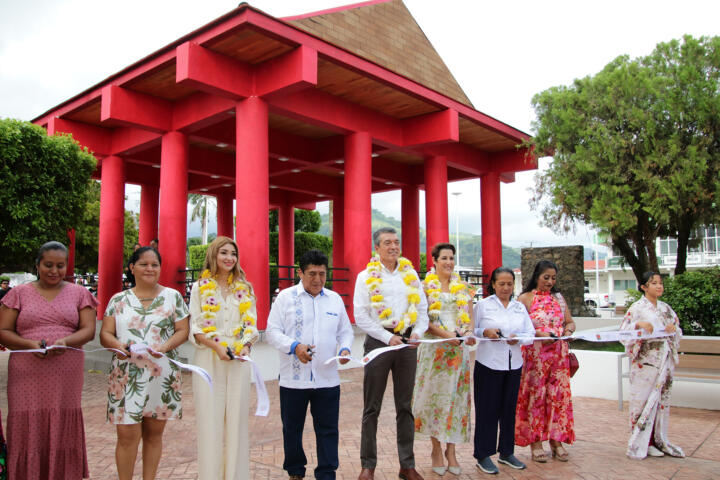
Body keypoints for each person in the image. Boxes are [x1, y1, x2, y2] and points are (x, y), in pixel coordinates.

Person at [0, 241, 98, 479]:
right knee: (26, 417)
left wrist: (66, 342)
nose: (54, 271)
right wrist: (29, 345)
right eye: (48, 265)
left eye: (60, 266)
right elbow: (3, 330)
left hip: (66, 368)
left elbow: (88, 330)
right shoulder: (18, 293)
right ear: (37, 265)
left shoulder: (80, 293)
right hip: (26, 369)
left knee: (63, 415)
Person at [100, 246, 189, 480]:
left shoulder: (173, 297)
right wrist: (119, 347)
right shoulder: (118, 299)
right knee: (127, 437)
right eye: (143, 264)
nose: (150, 268)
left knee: (153, 435)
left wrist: (164, 347)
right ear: (132, 268)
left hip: (162, 373)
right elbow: (106, 334)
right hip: (126, 374)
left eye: (155, 264)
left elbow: (182, 331)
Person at [266, 249, 354, 480]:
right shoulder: (285, 298)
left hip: (327, 378)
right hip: (293, 380)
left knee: (328, 430)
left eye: (322, 274)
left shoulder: (334, 299)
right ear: (300, 273)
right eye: (312, 273)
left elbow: (345, 332)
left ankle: (326, 472)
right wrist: (295, 346)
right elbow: (272, 332)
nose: (317, 280)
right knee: (292, 429)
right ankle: (295, 471)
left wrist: (345, 348)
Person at [353, 227, 429, 480]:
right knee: (371, 406)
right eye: (387, 243)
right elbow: (361, 315)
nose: (393, 246)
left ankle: (407, 465)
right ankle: (368, 465)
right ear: (377, 248)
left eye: (396, 242)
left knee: (405, 406)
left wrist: (418, 331)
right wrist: (387, 337)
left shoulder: (411, 276)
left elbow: (422, 309)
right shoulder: (365, 277)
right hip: (379, 341)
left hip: (407, 343)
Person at [188, 236, 259, 479]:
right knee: (210, 423)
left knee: (238, 423)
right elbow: (196, 327)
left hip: (239, 359)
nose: (229, 258)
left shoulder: (245, 288)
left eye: (233, 254)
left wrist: (246, 346)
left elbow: (251, 326)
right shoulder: (199, 288)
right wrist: (216, 347)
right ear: (213, 256)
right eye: (224, 253)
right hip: (209, 358)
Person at [411, 243, 476, 476]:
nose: (449, 262)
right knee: (434, 400)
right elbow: (423, 320)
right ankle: (436, 449)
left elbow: (469, 319)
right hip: (435, 353)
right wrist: (448, 336)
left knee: (455, 401)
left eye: (451, 258)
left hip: (458, 354)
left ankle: (452, 451)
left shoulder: (464, 288)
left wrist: (467, 334)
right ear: (434, 261)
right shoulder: (425, 287)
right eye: (444, 258)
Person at [473, 267, 536, 474]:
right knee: (487, 410)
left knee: (509, 410)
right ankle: (483, 454)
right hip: (489, 363)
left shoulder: (519, 307)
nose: (506, 288)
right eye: (501, 283)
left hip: (513, 363)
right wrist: (485, 331)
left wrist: (519, 339)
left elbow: (531, 333)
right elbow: (472, 330)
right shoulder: (482, 306)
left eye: (509, 284)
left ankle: (507, 452)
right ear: (493, 284)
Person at [515, 260, 576, 462]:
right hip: (535, 359)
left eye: (553, 278)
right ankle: (535, 442)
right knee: (536, 398)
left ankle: (556, 441)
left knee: (557, 399)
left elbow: (570, 321)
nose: (550, 281)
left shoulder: (558, 298)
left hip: (558, 359)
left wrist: (568, 331)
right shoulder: (525, 299)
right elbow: (517, 326)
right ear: (537, 276)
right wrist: (538, 333)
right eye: (546, 277)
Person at [620, 272, 684, 460]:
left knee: (660, 401)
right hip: (645, 362)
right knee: (641, 401)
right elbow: (624, 332)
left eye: (660, 283)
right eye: (653, 283)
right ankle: (640, 442)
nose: (658, 286)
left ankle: (657, 440)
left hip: (664, 359)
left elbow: (677, 329)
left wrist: (673, 330)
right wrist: (638, 325)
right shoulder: (637, 308)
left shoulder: (666, 309)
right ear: (644, 287)